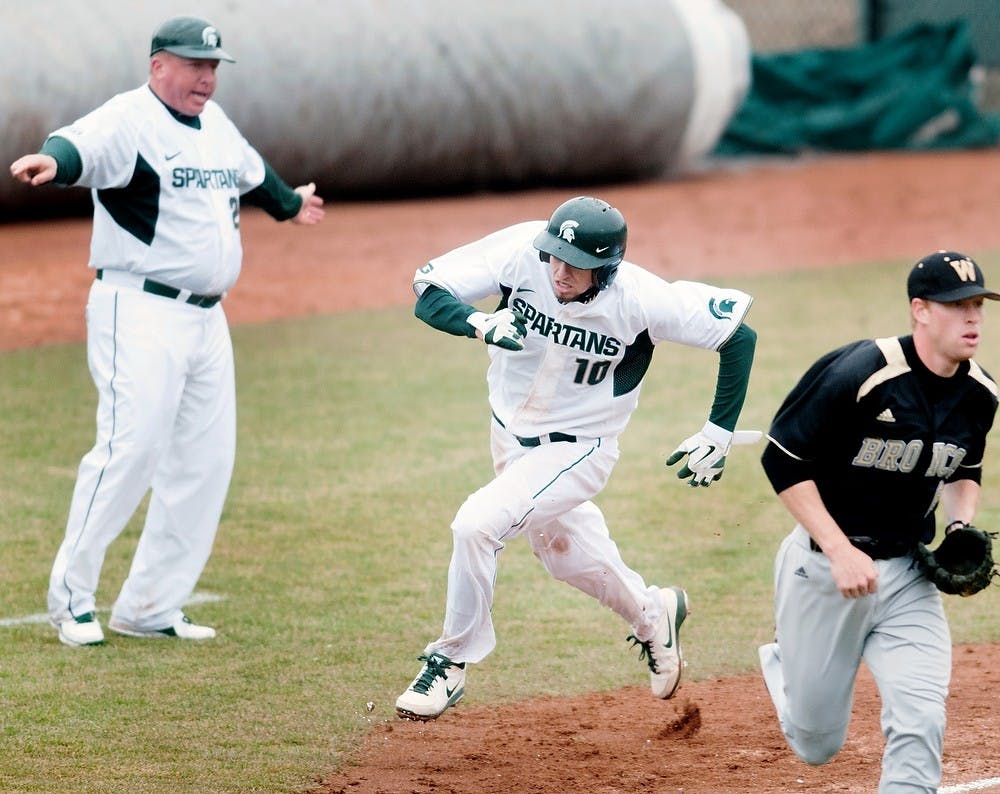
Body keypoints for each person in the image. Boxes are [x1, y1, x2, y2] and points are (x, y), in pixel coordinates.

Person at [8, 15, 325, 647]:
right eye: (193, 65)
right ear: (158, 66)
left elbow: (251, 170)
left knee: (205, 463)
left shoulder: (215, 124)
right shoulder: (130, 118)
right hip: (140, 309)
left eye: (212, 67)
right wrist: (53, 160)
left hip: (208, 319)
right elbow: (78, 144)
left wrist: (290, 204)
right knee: (130, 449)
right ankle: (71, 599)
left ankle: (151, 606)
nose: (206, 78)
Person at [395, 195, 757, 720]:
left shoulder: (641, 298)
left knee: (475, 526)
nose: (560, 272)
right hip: (508, 438)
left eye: (578, 265)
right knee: (564, 555)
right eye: (555, 257)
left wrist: (718, 430)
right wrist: (479, 322)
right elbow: (428, 291)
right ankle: (655, 616)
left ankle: (450, 661)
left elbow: (737, 336)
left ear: (607, 268)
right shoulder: (524, 252)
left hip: (579, 449)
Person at [757, 250, 998, 792]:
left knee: (921, 719)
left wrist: (959, 525)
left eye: (978, 304)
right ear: (920, 310)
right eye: (958, 306)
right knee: (816, 744)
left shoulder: (981, 393)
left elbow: (966, 469)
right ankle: (786, 662)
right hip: (824, 573)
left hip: (910, 577)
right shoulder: (861, 371)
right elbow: (782, 459)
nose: (973, 318)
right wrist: (840, 549)